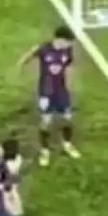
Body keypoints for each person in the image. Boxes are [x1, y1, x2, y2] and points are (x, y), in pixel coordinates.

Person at [18, 26, 79, 167]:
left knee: (67, 118)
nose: (69, 45)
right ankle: (45, 151)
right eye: (68, 42)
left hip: (61, 91)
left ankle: (67, 144)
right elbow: (29, 54)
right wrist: (21, 66)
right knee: (46, 121)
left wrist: (69, 81)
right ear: (60, 39)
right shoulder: (43, 48)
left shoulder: (68, 51)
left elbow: (68, 66)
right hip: (45, 92)